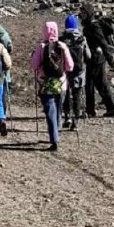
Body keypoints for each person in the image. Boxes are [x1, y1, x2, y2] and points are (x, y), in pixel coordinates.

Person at [31, 21, 74, 152]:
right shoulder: (62, 46)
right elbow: (70, 66)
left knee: (50, 111)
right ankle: (57, 132)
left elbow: (34, 65)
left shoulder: (41, 47)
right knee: (58, 110)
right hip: (61, 84)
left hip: (46, 84)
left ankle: (54, 138)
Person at [81, 3, 114, 118]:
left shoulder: (94, 26)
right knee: (91, 85)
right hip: (92, 59)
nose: (81, 15)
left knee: (100, 84)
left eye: (83, 12)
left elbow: (102, 43)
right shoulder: (88, 24)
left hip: (97, 59)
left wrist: (110, 59)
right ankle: (91, 110)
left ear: (89, 13)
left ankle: (111, 108)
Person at [59, 14, 90, 130]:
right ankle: (76, 120)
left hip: (65, 71)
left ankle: (67, 116)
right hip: (79, 72)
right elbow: (88, 56)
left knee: (66, 94)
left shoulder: (62, 39)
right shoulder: (82, 39)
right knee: (77, 95)